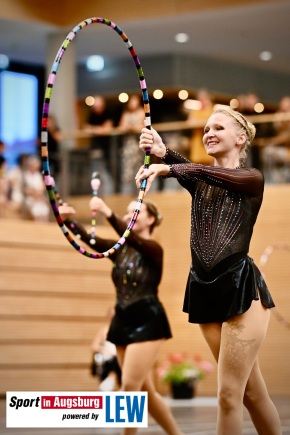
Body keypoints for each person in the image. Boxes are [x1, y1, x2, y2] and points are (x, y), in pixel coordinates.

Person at [137, 106, 282, 435]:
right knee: (252, 394)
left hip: (242, 290)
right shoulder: (199, 180)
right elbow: (198, 174)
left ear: (241, 137)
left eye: (218, 127)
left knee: (228, 395)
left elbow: (208, 174)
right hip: (203, 290)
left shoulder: (251, 179)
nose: (209, 133)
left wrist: (169, 166)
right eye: (206, 129)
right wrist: (163, 153)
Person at [59, 198, 183, 435]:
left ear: (151, 219)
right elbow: (90, 240)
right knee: (145, 391)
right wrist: (69, 220)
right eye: (125, 213)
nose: (128, 216)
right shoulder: (121, 250)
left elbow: (132, 238)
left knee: (129, 387)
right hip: (122, 321)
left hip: (148, 320)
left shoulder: (154, 249)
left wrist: (107, 211)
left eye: (134, 212)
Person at [83, 95, 114, 195]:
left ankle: (109, 193)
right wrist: (98, 129)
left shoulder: (108, 112)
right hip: (95, 148)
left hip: (107, 148)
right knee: (95, 173)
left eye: (98, 106)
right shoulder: (92, 114)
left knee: (107, 172)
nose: (96, 108)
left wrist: (94, 129)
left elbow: (107, 128)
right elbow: (85, 127)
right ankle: (96, 193)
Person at [118, 94, 145, 194]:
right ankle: (126, 193)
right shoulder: (126, 114)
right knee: (127, 170)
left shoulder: (141, 112)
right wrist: (130, 127)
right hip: (128, 145)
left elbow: (141, 126)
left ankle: (139, 191)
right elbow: (122, 127)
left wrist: (131, 127)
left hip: (138, 144)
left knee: (138, 168)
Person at [90, 306, 122, 392]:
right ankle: (111, 378)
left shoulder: (122, 331)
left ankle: (114, 381)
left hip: (119, 358)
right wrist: (105, 350)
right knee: (114, 361)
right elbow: (94, 346)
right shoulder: (104, 330)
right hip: (108, 359)